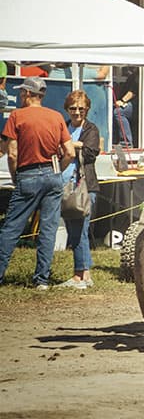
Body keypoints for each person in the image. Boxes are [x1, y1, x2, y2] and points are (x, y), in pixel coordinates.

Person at [0, 77, 76, 289]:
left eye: (22, 93)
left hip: (28, 174)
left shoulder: (17, 116)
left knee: (11, 228)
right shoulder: (56, 117)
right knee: (48, 229)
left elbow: (12, 154)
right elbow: (70, 152)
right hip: (52, 175)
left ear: (27, 94)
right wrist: (57, 169)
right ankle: (41, 279)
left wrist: (16, 178)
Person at [57, 90, 100, 289]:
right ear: (67, 109)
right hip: (64, 186)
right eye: (73, 108)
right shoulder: (63, 127)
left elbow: (92, 152)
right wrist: (76, 145)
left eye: (81, 108)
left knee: (81, 230)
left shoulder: (91, 129)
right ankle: (80, 274)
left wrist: (70, 145)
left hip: (85, 186)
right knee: (73, 232)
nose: (77, 112)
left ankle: (84, 275)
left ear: (87, 109)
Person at [113, 66, 137, 147]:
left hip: (138, 105)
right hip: (132, 102)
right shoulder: (132, 76)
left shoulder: (138, 75)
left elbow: (133, 91)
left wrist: (123, 101)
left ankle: (126, 143)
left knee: (119, 112)